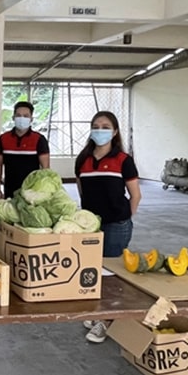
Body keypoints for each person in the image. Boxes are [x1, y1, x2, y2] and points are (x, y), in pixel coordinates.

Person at [75, 111, 142, 344]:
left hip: (116, 225)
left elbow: (135, 195)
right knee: (93, 273)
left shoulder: (123, 160)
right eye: (95, 126)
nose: (99, 130)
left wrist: (124, 217)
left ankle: (106, 321)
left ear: (114, 132)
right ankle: (100, 314)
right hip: (92, 226)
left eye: (105, 126)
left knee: (111, 278)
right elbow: (82, 189)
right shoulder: (83, 159)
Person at [0, 101, 51, 201]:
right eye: (18, 115)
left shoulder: (39, 139)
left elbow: (45, 169)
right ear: (13, 117)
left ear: (31, 119)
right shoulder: (3, 138)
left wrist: (43, 192)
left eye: (26, 116)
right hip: (10, 191)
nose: (22, 118)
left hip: (32, 193)